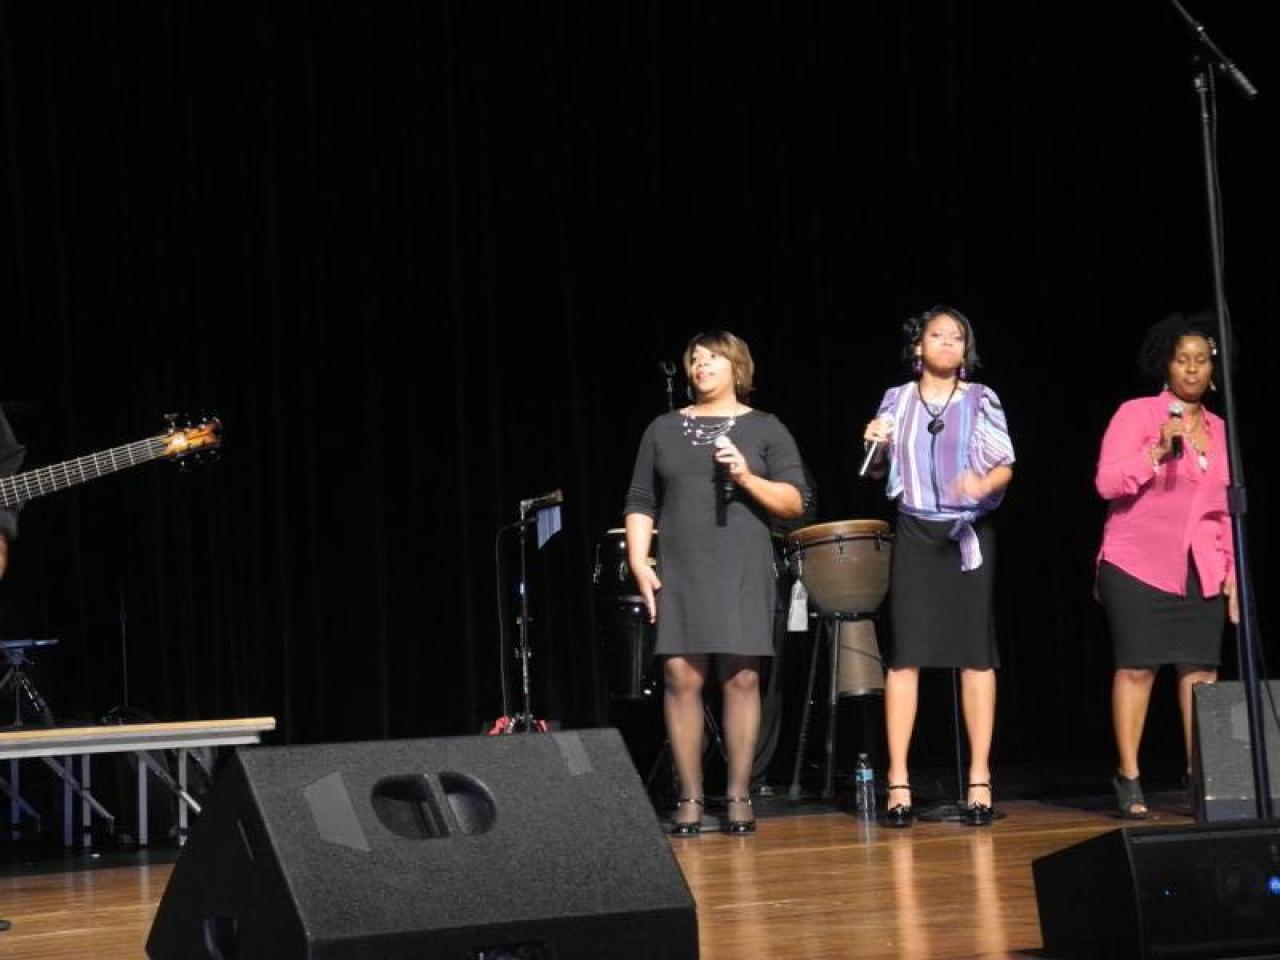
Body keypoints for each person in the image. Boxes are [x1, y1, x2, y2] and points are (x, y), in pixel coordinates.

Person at [624, 330, 810, 835]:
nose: (701, 366)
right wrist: (641, 560)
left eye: (712, 358)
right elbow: (641, 499)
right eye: (696, 359)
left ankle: (738, 794)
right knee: (681, 677)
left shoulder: (765, 427)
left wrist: (746, 477)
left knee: (742, 677)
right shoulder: (662, 428)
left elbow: (796, 501)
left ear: (737, 368)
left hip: (742, 563)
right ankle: (689, 795)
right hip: (682, 565)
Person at [862, 305, 1015, 827]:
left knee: (975, 653)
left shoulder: (980, 398)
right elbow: (877, 471)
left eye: (957, 337)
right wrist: (874, 444)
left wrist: (980, 484)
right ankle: (898, 781)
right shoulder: (896, 400)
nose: (948, 343)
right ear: (918, 346)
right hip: (915, 532)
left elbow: (1004, 465)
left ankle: (979, 778)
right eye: (937, 335)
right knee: (906, 655)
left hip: (966, 534)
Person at [1095, 312, 1238, 819]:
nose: (1192, 369)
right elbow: (1106, 483)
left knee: (1200, 673)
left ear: (1213, 368)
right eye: (1182, 360)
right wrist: (1156, 451)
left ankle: (1201, 777)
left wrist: (1232, 573)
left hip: (1201, 565)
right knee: (1138, 668)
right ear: (1166, 364)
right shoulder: (1136, 414)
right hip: (1137, 562)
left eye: (1201, 360)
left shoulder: (1222, 430)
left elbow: (1225, 510)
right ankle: (1129, 775)